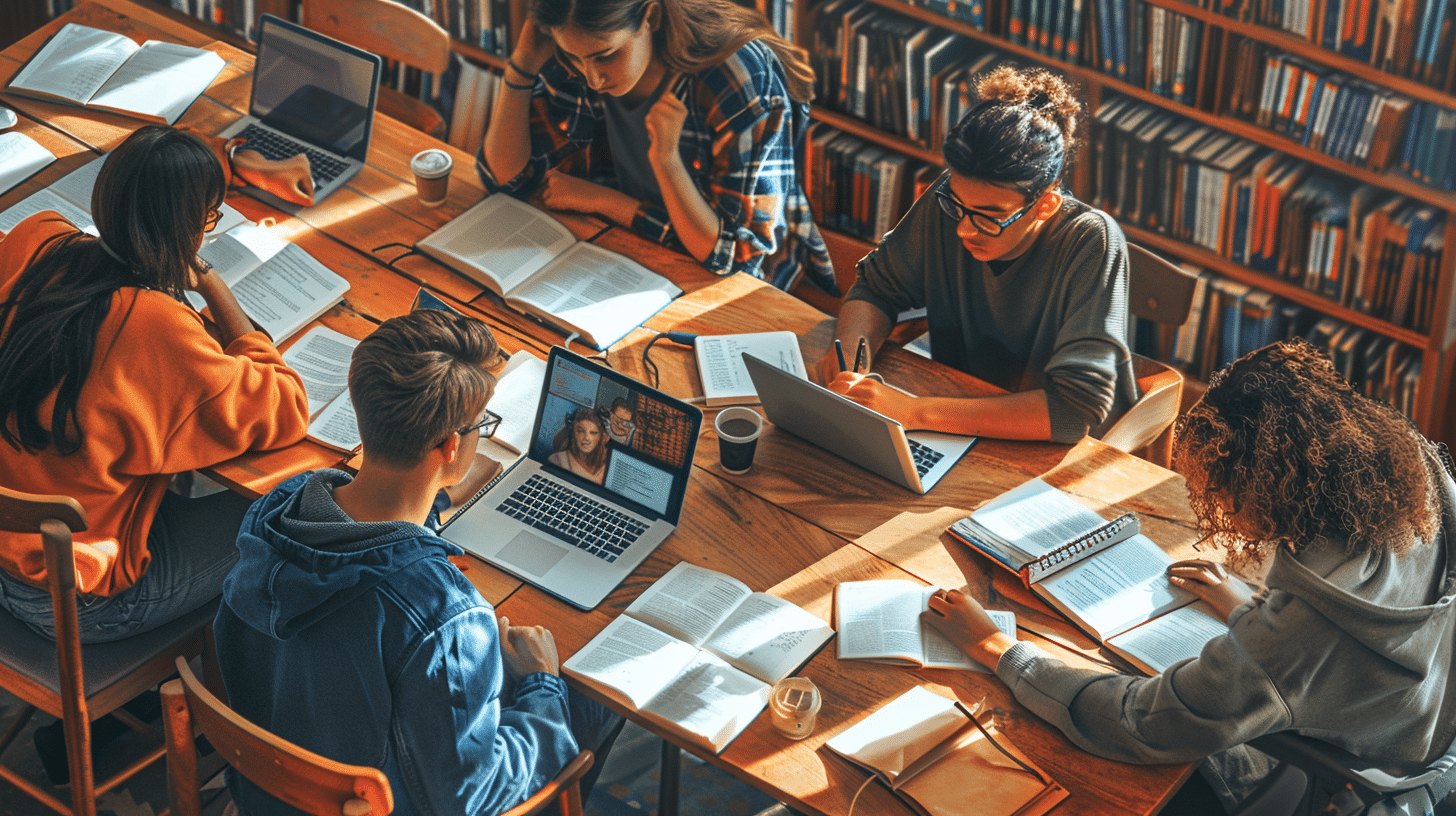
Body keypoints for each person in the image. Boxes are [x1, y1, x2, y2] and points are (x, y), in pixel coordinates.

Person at [921, 339, 1456, 812]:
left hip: (1373, 755)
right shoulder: (1409, 471)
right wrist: (1251, 609)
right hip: (1433, 704)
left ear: (1270, 492)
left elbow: (1144, 721)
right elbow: (1327, 644)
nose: (1215, 507)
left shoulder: (1296, 637)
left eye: (1221, 495)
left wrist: (998, 649)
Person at [213, 309, 622, 815]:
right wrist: (540, 681)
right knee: (597, 695)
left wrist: (430, 510)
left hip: (273, 790)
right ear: (451, 446)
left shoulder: (276, 511)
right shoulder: (445, 616)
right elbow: (473, 796)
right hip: (388, 800)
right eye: (481, 427)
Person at [0, 125, 313, 644]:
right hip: (77, 599)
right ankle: (231, 696)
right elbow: (284, 404)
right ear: (191, 230)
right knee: (291, 509)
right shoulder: (153, 326)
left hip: (11, 540)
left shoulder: (38, 238)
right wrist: (211, 282)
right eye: (209, 218)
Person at [818, 66, 1138, 443]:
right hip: (959, 417)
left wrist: (912, 410)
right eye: (957, 204)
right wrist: (852, 363)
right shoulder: (957, 200)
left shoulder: (1092, 242)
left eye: (991, 217)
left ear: (1046, 205)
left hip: (1057, 452)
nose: (963, 228)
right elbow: (876, 287)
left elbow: (1073, 411)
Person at [478, 0, 835, 294]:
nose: (592, 78)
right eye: (574, 58)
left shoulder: (736, 77)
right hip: (621, 257)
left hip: (735, 293)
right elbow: (507, 179)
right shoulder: (577, 50)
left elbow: (733, 259)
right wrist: (523, 66)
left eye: (606, 56)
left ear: (651, 16)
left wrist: (654, 168)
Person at [548, 407, 609, 484]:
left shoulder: (607, 467)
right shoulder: (558, 459)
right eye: (580, 431)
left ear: (602, 437)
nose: (586, 438)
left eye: (593, 433)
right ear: (573, 432)